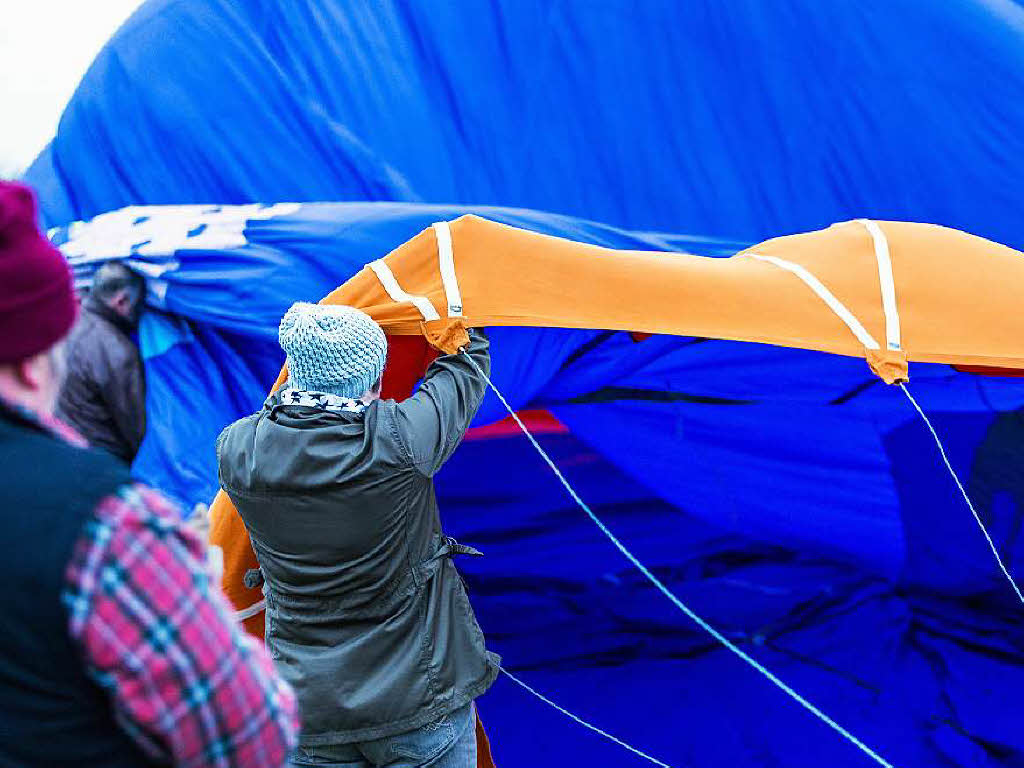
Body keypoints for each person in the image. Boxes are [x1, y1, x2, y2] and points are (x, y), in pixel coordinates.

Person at [0, 180, 299, 767]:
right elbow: (251, 737)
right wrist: (193, 594)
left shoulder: (238, 449)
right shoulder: (108, 526)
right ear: (34, 362)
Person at [217, 302, 500, 768]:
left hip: (308, 708)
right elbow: (464, 373)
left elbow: (277, 415)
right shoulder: (398, 442)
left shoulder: (238, 450)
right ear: (374, 377)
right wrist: (464, 304)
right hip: (417, 700)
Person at [57, 260, 147, 464]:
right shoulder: (119, 351)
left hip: (63, 447)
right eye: (139, 305)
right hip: (102, 461)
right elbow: (137, 430)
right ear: (122, 301)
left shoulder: (67, 321)